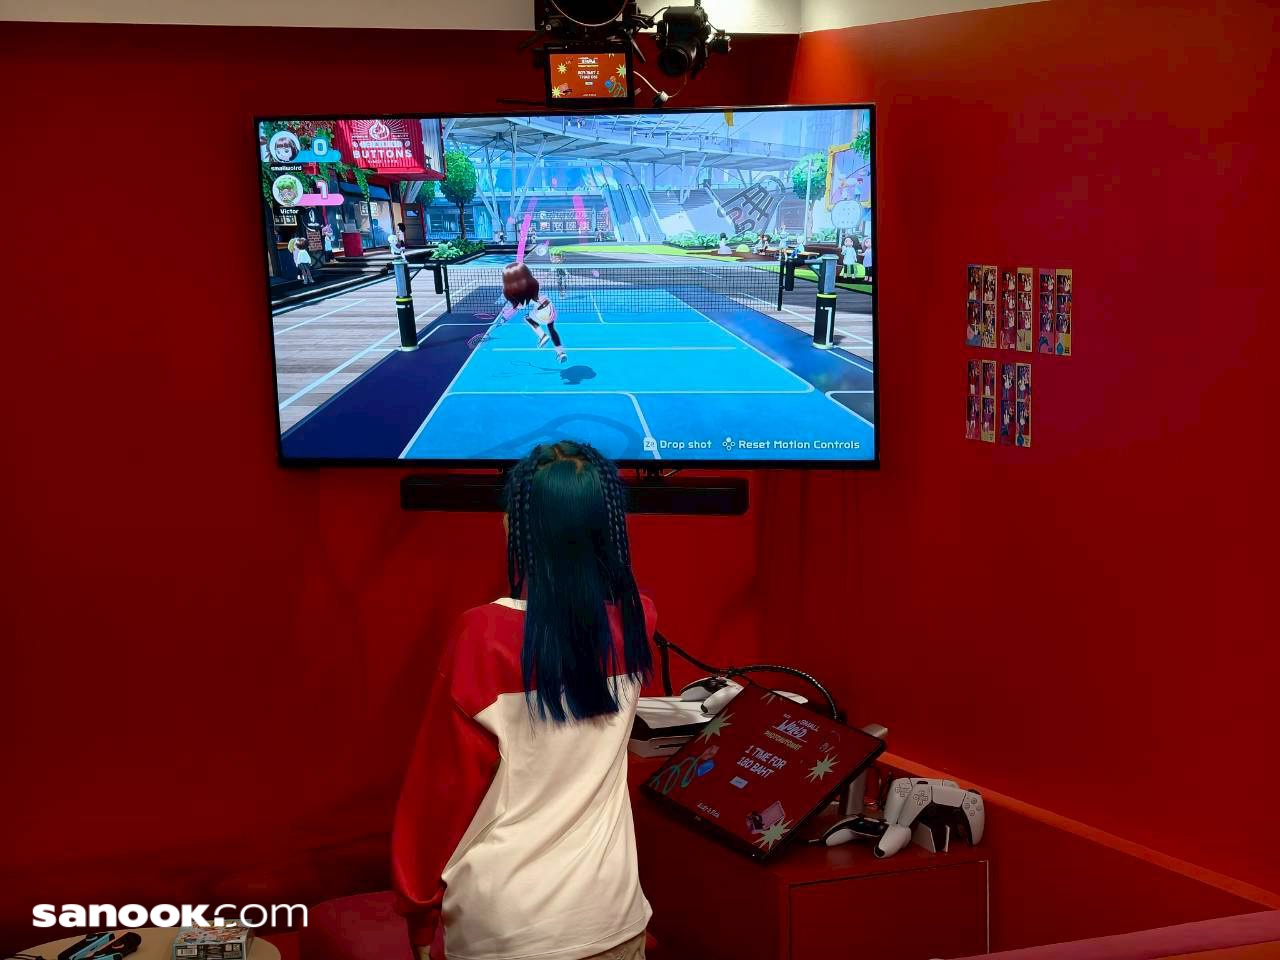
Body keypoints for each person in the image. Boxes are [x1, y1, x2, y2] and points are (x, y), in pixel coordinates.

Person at [393, 441, 657, 960]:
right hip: (613, 917)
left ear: (517, 529)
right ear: (608, 529)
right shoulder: (639, 621)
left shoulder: (483, 637)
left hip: (508, 929)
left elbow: (440, 795)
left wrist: (418, 912)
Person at [498, 262, 567, 363]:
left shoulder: (518, 292)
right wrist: (550, 271)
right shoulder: (532, 283)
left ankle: (542, 335)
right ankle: (561, 353)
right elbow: (542, 280)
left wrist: (504, 318)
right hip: (550, 307)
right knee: (552, 329)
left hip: (541, 312)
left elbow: (517, 308)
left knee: (527, 317)